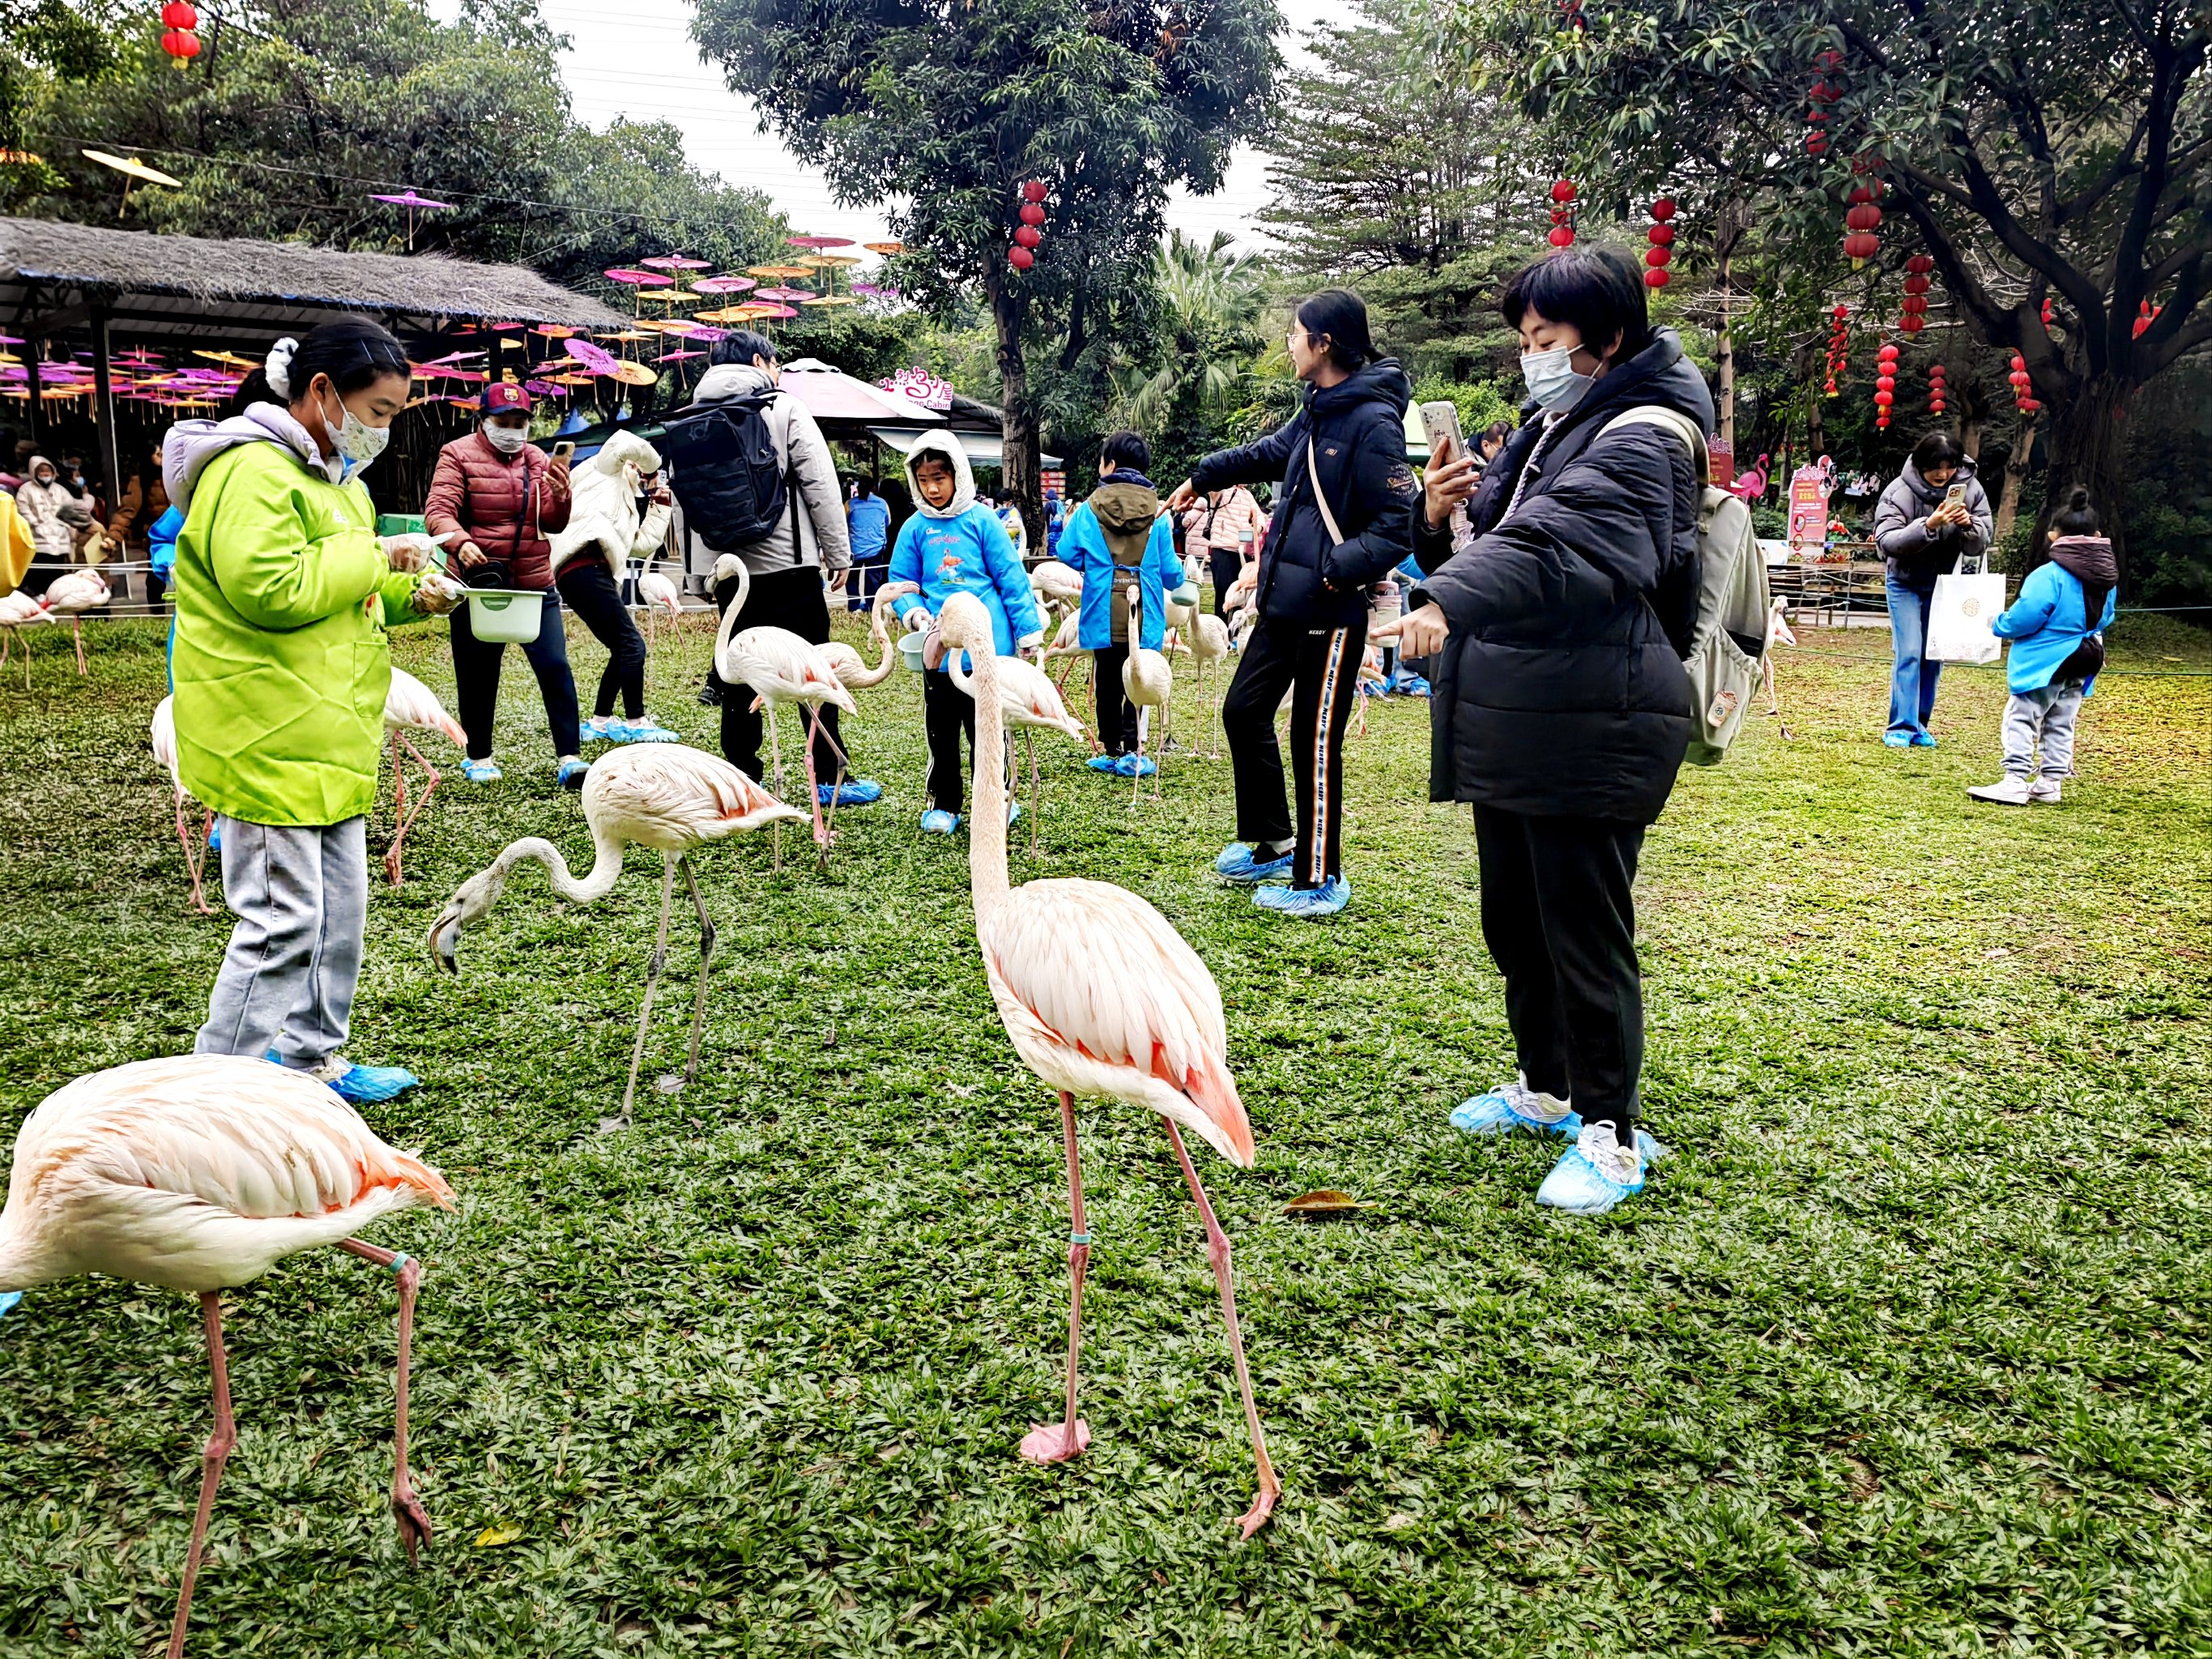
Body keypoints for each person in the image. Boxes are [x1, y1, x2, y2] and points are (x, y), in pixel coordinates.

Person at [1387, 245, 1704, 1218]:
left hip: (1594, 717)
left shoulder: (1645, 436)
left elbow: (1559, 543)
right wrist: (1435, 520)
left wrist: (1443, 593)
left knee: (1582, 932)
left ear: (1606, 338)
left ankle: (1610, 1130)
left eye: (1546, 339)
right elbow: (1498, 531)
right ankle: (1546, 1086)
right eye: (1523, 339)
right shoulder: (1554, 423)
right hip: (1518, 711)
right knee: (1516, 921)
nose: (1530, 356)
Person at [162, 316, 458, 1104]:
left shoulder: (342, 486)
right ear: (323, 392)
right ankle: (208, 1101)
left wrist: (405, 594)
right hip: (266, 734)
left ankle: (309, 1060)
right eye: (380, 411)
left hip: (330, 735)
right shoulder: (247, 472)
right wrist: (375, 555)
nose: (383, 431)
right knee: (282, 925)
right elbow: (270, 587)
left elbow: (342, 595)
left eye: (394, 414)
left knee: (339, 918)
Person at [1168, 288, 1416, 919]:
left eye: (1295, 333)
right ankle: (1273, 840)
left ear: (1324, 343)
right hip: (1283, 606)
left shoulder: (1373, 421)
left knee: (1313, 741)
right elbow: (1264, 454)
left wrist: (1336, 573)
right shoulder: (1317, 411)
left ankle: (1319, 877)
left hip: (1330, 614)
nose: (1289, 343)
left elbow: (1396, 525)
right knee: (1242, 712)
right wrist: (1201, 476)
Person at [688, 332, 879, 808]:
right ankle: (829, 776)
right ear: (759, 361)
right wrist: (838, 555)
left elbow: (686, 504)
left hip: (729, 576)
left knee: (739, 673)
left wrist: (700, 574)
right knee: (813, 669)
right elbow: (819, 482)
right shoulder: (784, 408)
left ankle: (742, 780)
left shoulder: (690, 418)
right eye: (777, 364)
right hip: (789, 567)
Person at [425, 381, 584, 786]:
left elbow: (552, 522)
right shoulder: (457, 454)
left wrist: (562, 496)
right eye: (504, 421)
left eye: (520, 422)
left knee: (554, 665)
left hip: (533, 582)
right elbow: (439, 511)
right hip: (478, 583)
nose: (512, 429)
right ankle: (478, 756)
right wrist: (460, 543)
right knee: (478, 672)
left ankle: (570, 756)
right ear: (484, 420)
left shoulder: (535, 458)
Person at [885, 431, 1043, 832]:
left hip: (987, 652)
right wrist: (916, 615)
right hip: (938, 651)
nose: (932, 487)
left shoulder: (982, 520)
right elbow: (902, 581)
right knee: (941, 730)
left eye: (939, 476)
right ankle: (946, 803)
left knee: (988, 731)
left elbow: (1011, 576)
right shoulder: (914, 528)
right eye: (923, 480)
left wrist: (1027, 633)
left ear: (958, 473)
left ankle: (998, 799)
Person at [1969, 487, 2117, 806]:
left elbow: (2027, 617)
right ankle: (2051, 782)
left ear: (2054, 536)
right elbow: (2106, 617)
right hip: (2086, 655)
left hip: (2045, 660)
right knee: (2063, 720)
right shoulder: (2107, 578)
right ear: (2098, 535)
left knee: (2023, 715)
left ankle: (2015, 780)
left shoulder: (2049, 575)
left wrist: (1999, 624)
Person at [1057, 429, 1184, 774]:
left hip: (1102, 609)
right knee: (1138, 679)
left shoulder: (1087, 510)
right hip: (1146, 615)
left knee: (1108, 680)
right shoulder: (1160, 514)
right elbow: (1172, 574)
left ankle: (1111, 749)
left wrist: (1098, 566)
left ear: (1110, 464)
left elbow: (1065, 552)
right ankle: (1135, 750)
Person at [546, 427, 680, 745]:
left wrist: (661, 505)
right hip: (583, 564)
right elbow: (623, 443)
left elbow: (641, 545)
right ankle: (636, 721)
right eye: (633, 465)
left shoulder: (625, 506)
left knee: (622, 649)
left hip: (590, 572)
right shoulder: (603, 468)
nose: (634, 469)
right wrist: (652, 466)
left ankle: (600, 720)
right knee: (633, 646)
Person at [1873, 430, 1992, 748]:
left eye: (1949, 466)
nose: (1942, 474)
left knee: (1933, 656)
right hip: (1905, 583)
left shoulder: (1971, 490)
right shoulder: (1898, 492)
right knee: (1909, 652)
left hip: (1944, 586)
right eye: (1935, 467)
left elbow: (1983, 539)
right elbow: (1886, 542)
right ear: (1921, 463)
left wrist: (1968, 525)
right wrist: (1928, 526)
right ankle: (1900, 725)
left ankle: (1920, 724)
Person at [15, 452, 97, 595]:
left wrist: (87, 497)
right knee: (39, 570)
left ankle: (55, 596)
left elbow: (74, 507)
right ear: (34, 471)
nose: (45, 474)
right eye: (42, 471)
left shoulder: (59, 490)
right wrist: (36, 524)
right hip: (37, 539)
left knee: (57, 571)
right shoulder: (26, 490)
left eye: (48, 471)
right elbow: (22, 509)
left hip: (60, 538)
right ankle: (37, 594)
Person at [1197, 482, 1264, 621]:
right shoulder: (1222, 491)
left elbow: (1259, 517)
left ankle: (1234, 632)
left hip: (1242, 553)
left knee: (1240, 594)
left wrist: (1258, 528)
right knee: (1223, 593)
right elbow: (1212, 484)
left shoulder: (1248, 495)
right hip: (1223, 549)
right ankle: (1220, 629)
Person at [846, 476, 893, 611]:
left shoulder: (850, 504)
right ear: (874, 488)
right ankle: (871, 607)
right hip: (876, 549)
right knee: (873, 580)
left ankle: (854, 607)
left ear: (858, 488)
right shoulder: (882, 503)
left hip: (855, 549)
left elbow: (844, 523)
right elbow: (888, 522)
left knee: (852, 578)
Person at [995, 489, 1030, 562]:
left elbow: (1011, 532)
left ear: (1010, 502)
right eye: (999, 503)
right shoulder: (998, 511)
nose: (1000, 505)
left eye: (1002, 503)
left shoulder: (1014, 515)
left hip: (1013, 550)